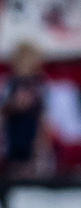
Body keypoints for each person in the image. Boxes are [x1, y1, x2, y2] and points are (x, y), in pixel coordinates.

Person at [1, 43, 47, 176]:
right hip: (12, 131)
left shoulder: (40, 85)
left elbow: (44, 115)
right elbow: (3, 110)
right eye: (23, 61)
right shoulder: (8, 83)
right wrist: (14, 106)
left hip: (32, 130)